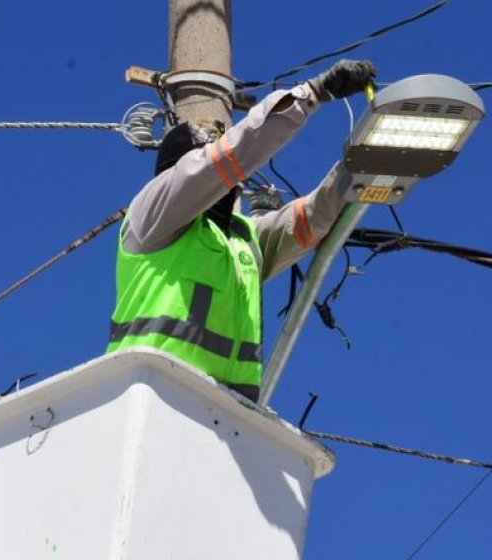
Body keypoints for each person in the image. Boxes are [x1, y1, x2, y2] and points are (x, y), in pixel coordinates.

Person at [107, 59, 378, 402]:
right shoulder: (150, 218)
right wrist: (314, 92)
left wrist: (360, 163)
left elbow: (311, 218)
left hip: (229, 416)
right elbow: (231, 155)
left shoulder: (242, 240)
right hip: (151, 395)